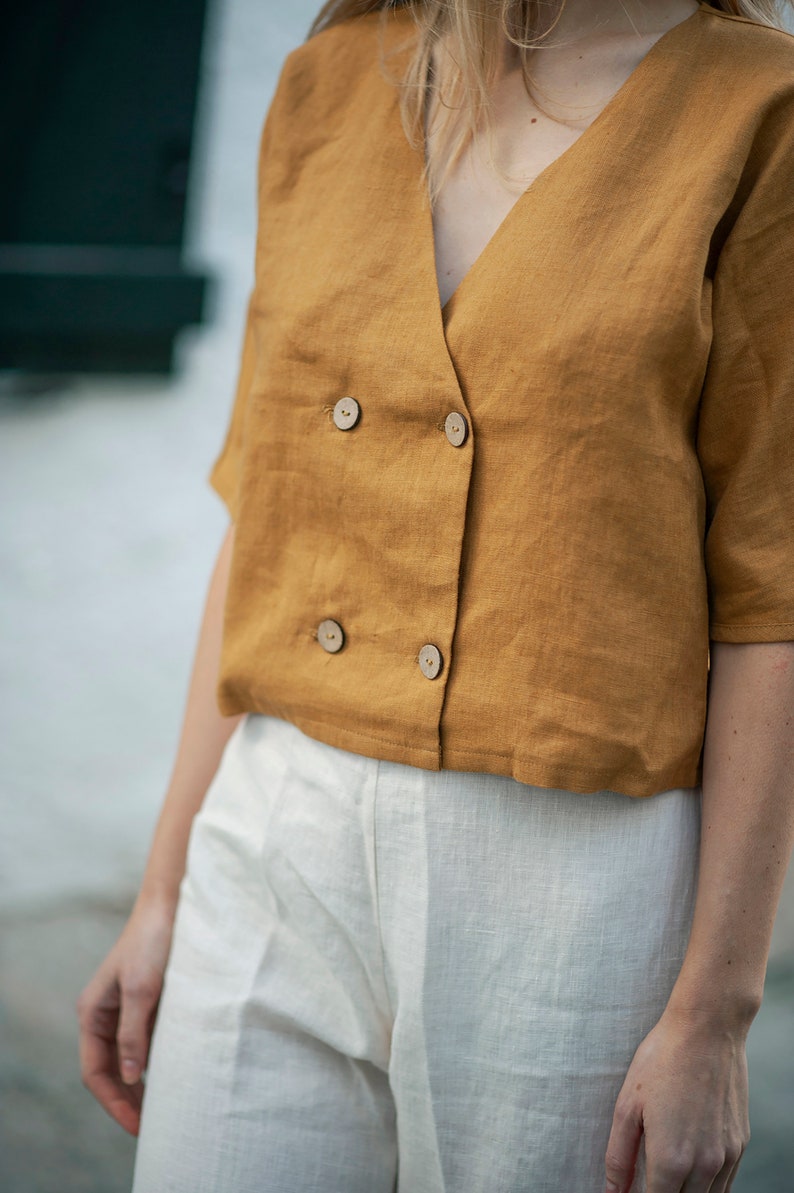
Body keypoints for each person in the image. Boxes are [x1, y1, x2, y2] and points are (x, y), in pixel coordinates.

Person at [77, 0, 794, 1189]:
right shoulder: (331, 81)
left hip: (566, 888)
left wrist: (714, 1009)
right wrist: (164, 889)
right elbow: (266, 510)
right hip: (272, 834)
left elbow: (772, 596)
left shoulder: (755, 116)